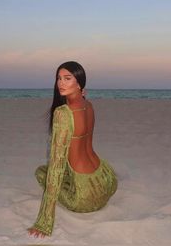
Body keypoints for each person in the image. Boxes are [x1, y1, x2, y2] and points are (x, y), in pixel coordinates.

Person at [27, 61, 118, 238]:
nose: (61, 83)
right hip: (106, 181)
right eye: (58, 78)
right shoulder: (89, 105)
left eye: (67, 78)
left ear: (79, 83)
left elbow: (56, 168)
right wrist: (80, 94)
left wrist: (44, 221)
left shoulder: (63, 113)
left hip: (85, 197)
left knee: (41, 173)